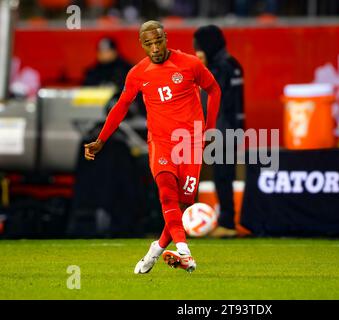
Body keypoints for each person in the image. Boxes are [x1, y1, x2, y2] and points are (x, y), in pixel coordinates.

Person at [84, 20, 221, 273]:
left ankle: (156, 249)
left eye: (158, 41)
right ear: (142, 45)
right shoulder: (138, 73)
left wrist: (210, 129)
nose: (155, 48)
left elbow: (214, 90)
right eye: (149, 44)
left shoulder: (190, 64)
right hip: (160, 143)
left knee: (181, 205)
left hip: (191, 143)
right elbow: (121, 107)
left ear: (166, 38)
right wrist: (101, 140)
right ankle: (185, 254)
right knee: (167, 193)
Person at [193, 25, 245, 238]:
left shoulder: (219, 68)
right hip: (230, 128)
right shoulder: (232, 64)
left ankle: (227, 224)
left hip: (221, 129)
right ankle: (227, 222)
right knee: (224, 176)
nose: (197, 51)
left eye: (198, 46)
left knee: (222, 176)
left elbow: (209, 97)